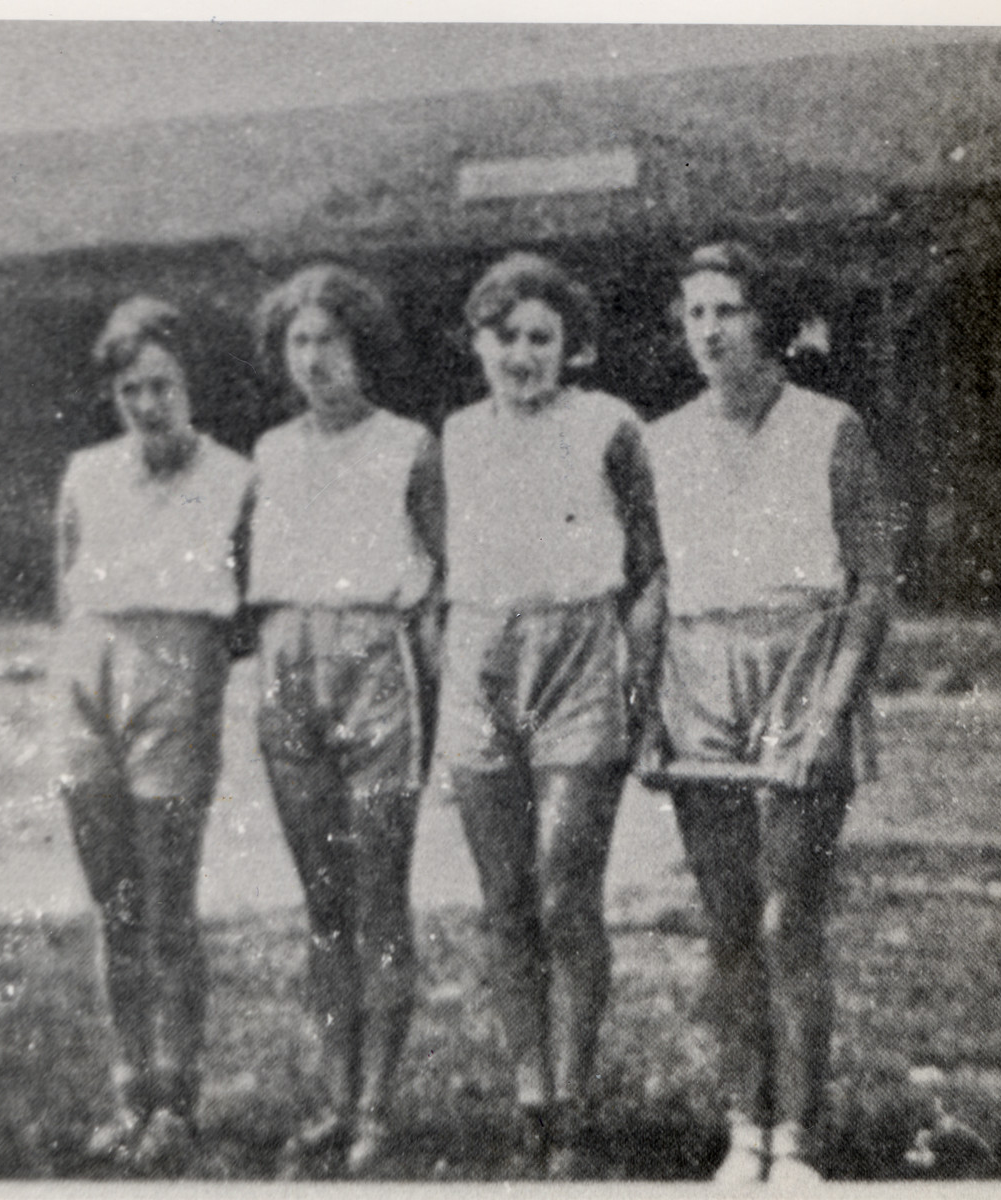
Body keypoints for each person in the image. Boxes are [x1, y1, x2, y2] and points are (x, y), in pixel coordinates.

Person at [639, 241, 899, 1184]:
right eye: (695, 311)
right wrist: (648, 709)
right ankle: (742, 1124)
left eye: (729, 310)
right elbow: (656, 583)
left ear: (769, 322)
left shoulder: (831, 427)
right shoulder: (660, 441)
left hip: (804, 665)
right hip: (700, 671)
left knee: (792, 913)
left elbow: (872, 585)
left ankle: (797, 1137)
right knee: (726, 919)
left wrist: (828, 712)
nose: (709, 330)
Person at [435, 252, 664, 1178]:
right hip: (481, 658)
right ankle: (528, 1089)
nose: (522, 354)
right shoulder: (450, 435)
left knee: (566, 885)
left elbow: (650, 563)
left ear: (570, 348)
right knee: (504, 899)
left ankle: (573, 1095)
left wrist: (639, 683)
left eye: (541, 337)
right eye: (505, 337)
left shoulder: (609, 425)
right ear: (478, 343)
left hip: (578, 655)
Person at [248, 264, 444, 1177]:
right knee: (322, 905)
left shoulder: (408, 445)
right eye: (299, 342)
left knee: (377, 896)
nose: (315, 359)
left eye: (330, 340)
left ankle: (377, 1106)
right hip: (287, 660)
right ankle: (333, 1097)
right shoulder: (271, 452)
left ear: (362, 348)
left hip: (378, 660)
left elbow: (442, 572)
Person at [52, 296, 255, 1171]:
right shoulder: (86, 473)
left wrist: (191, 665)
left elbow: (247, 603)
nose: (148, 403)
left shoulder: (235, 476)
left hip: (177, 669)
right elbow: (64, 582)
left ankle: (178, 1095)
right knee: (115, 906)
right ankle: (127, 1089)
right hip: (89, 671)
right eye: (131, 389)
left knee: (169, 905)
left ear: (190, 384)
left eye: (163, 384)